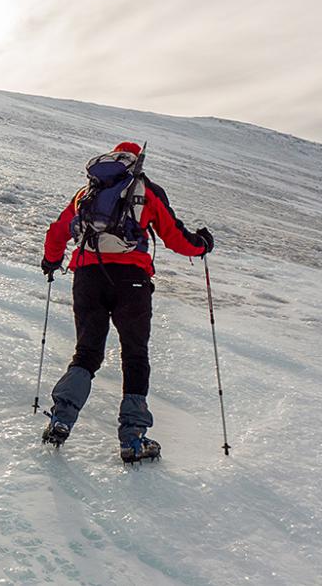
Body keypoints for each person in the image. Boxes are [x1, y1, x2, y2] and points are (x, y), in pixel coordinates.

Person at [39, 141, 213, 462]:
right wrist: (201, 246)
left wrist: (51, 262)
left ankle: (62, 417)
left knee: (87, 352)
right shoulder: (145, 192)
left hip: (88, 277)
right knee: (135, 353)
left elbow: (58, 231)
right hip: (132, 281)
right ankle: (133, 438)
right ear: (136, 162)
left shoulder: (87, 193)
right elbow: (174, 236)